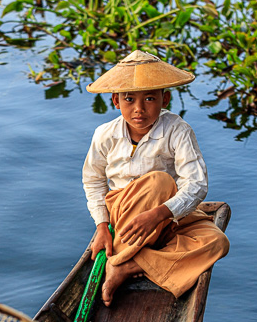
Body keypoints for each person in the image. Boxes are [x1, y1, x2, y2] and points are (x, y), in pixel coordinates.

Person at [82, 50, 229, 307]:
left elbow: (196, 184)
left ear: (165, 99)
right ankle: (127, 253)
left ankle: (127, 264)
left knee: (217, 243)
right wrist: (102, 226)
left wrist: (159, 214)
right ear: (116, 101)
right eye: (129, 99)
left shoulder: (177, 129)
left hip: (166, 214)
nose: (139, 109)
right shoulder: (104, 134)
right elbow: (93, 180)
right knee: (158, 181)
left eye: (150, 98)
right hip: (127, 215)